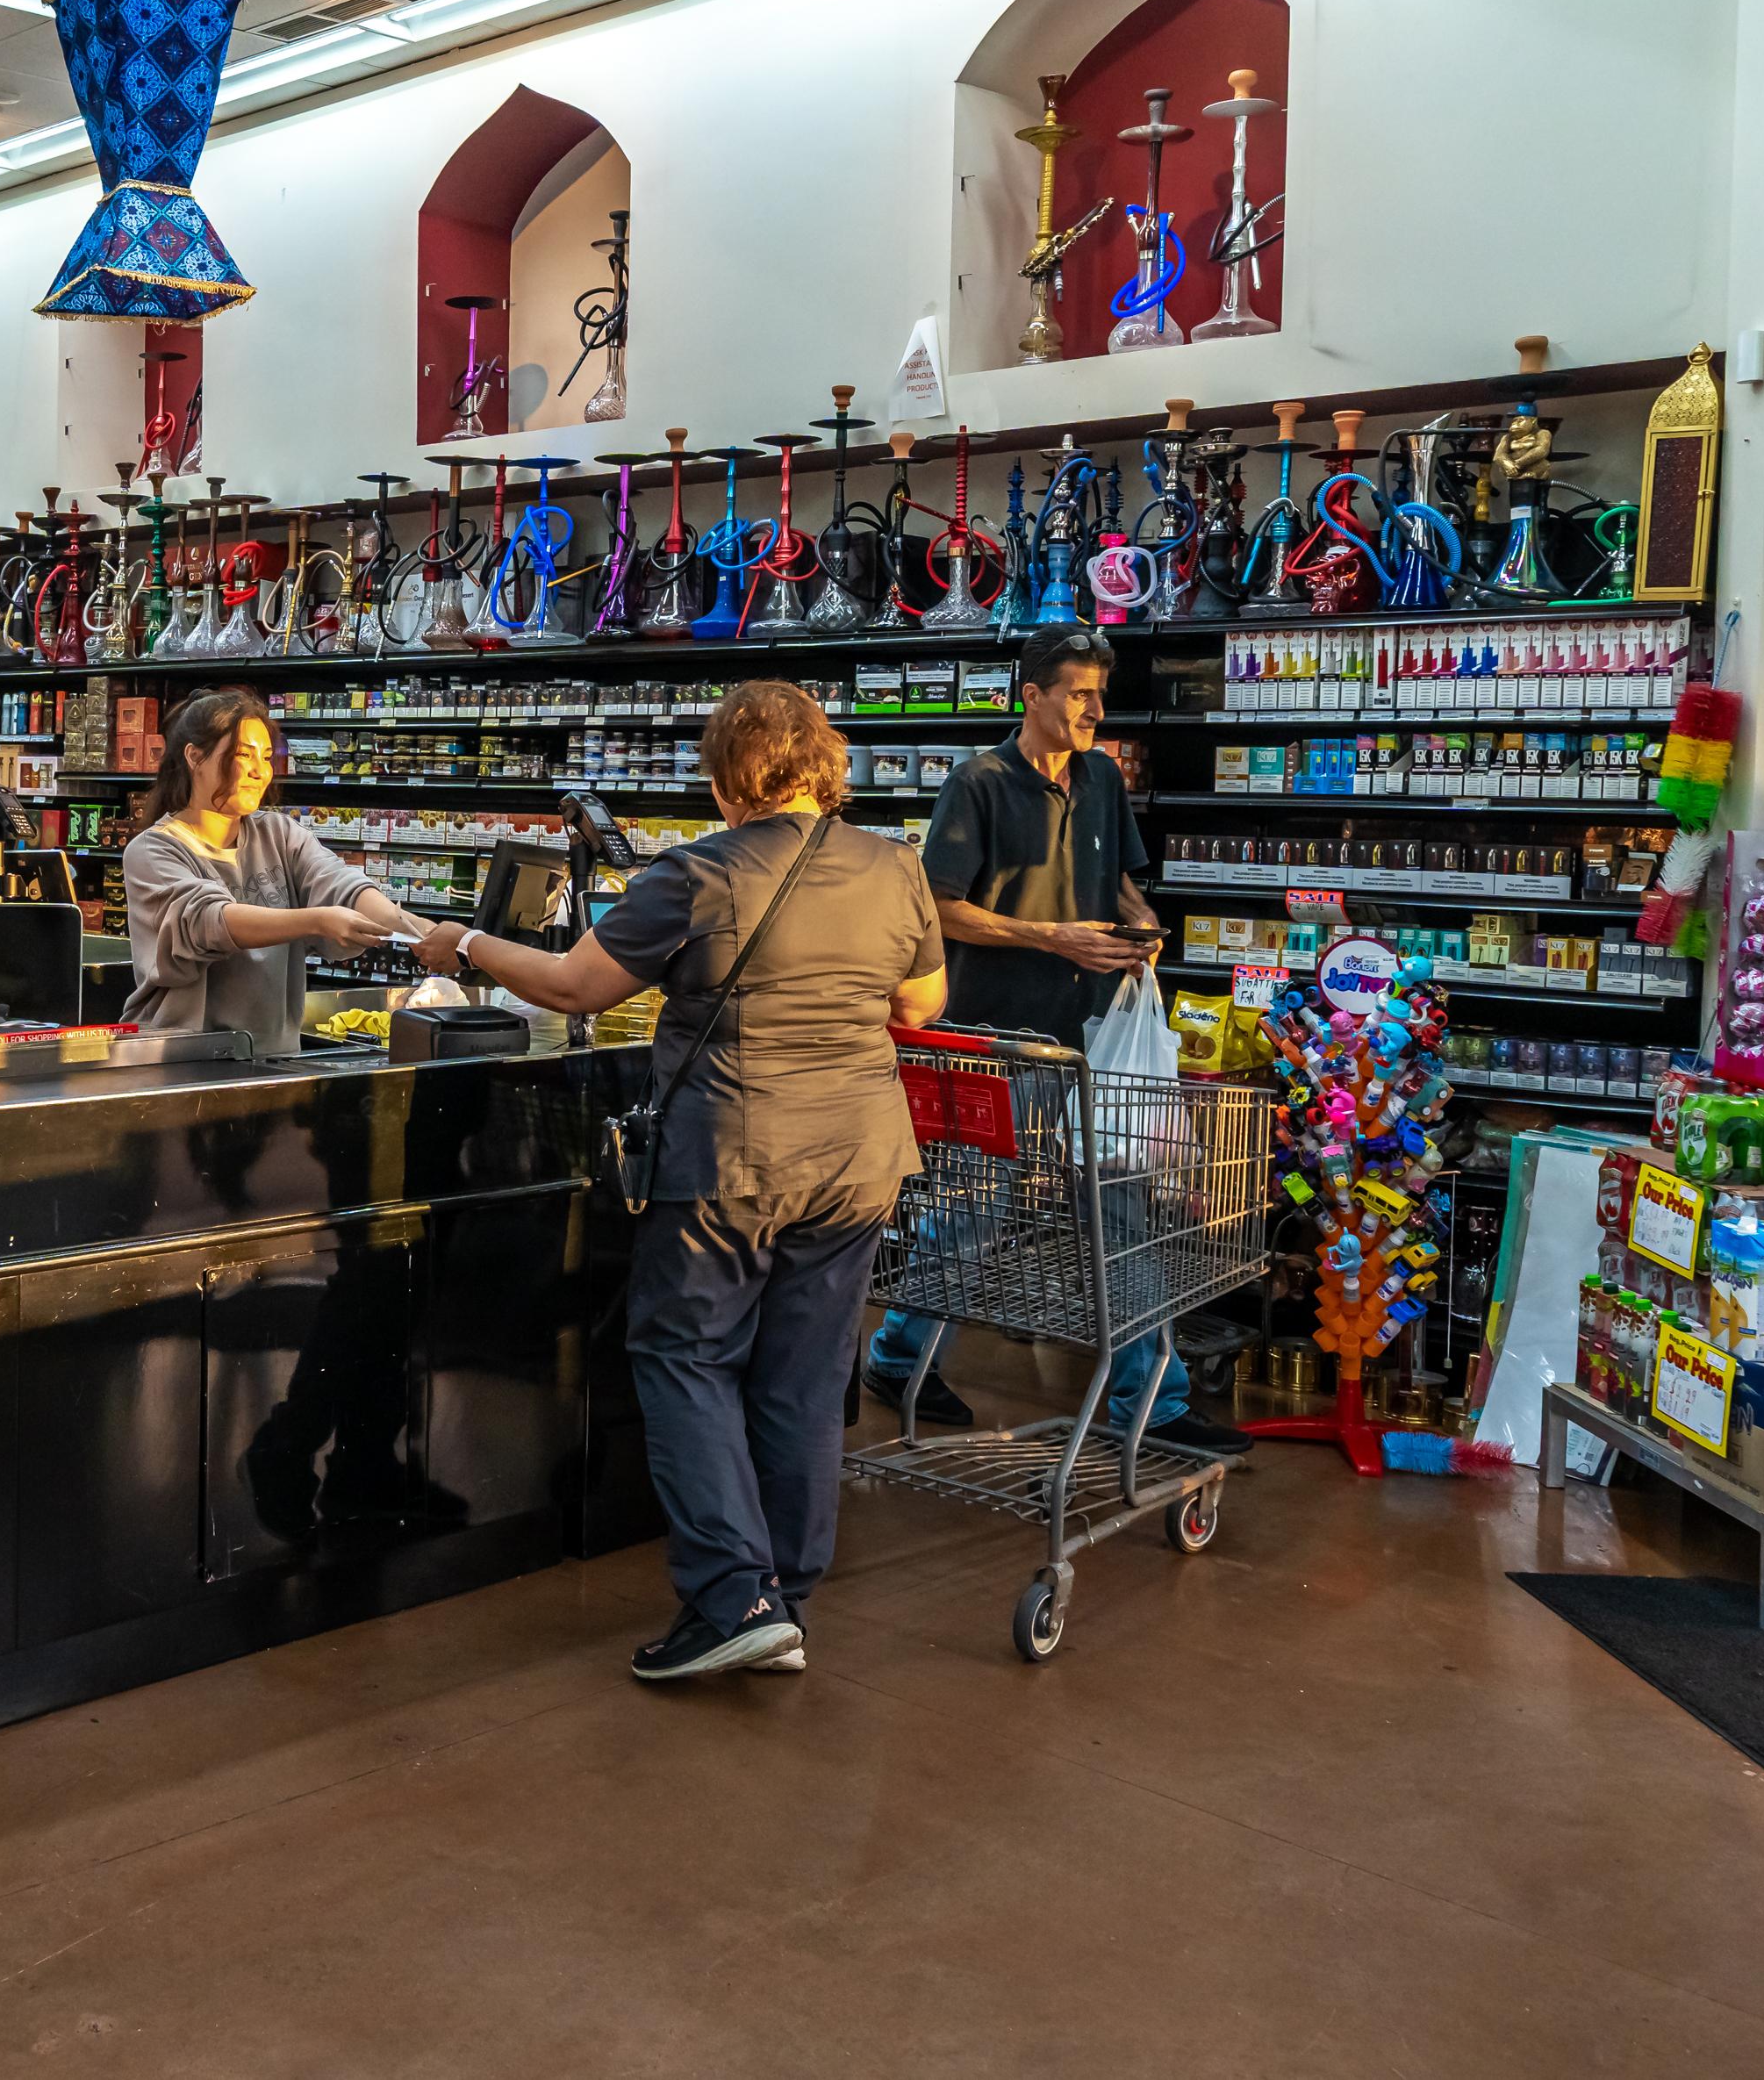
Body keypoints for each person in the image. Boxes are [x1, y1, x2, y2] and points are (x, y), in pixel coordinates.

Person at [415, 680, 944, 1682]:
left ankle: (729, 1596)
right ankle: (782, 1595)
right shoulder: (896, 867)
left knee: (685, 1357)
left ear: (725, 775)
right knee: (804, 1375)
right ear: (822, 764)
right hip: (862, 1158)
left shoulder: (698, 874)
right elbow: (920, 1004)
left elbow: (575, 985)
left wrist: (468, 946)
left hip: (733, 1158)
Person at [873, 622, 1252, 1458]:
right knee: (976, 1213)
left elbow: (1117, 878)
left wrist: (1137, 920)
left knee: (1124, 1213)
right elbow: (940, 909)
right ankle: (899, 1355)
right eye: (1078, 692)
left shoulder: (1104, 779)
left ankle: (1149, 1401)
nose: (1094, 707)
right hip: (998, 1040)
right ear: (1031, 694)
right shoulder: (976, 785)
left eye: (1100, 693)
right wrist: (1056, 938)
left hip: (1094, 1040)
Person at [118, 689, 404, 1058]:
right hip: (180, 1062)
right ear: (195, 757)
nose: (260, 771)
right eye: (243, 755)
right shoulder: (153, 851)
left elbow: (337, 883)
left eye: (266, 756)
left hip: (273, 1060)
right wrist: (316, 920)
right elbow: (210, 921)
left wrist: (411, 926)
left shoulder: (278, 834)